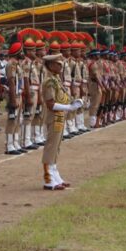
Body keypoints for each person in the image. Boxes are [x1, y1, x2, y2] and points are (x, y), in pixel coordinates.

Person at [41, 53, 82, 190]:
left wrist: (72, 103)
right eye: (58, 64)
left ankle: (55, 175)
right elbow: (50, 104)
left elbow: (62, 97)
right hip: (53, 116)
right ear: (51, 65)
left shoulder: (56, 79)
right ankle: (48, 179)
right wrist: (69, 107)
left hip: (59, 115)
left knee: (56, 147)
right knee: (51, 146)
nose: (61, 66)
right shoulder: (49, 82)